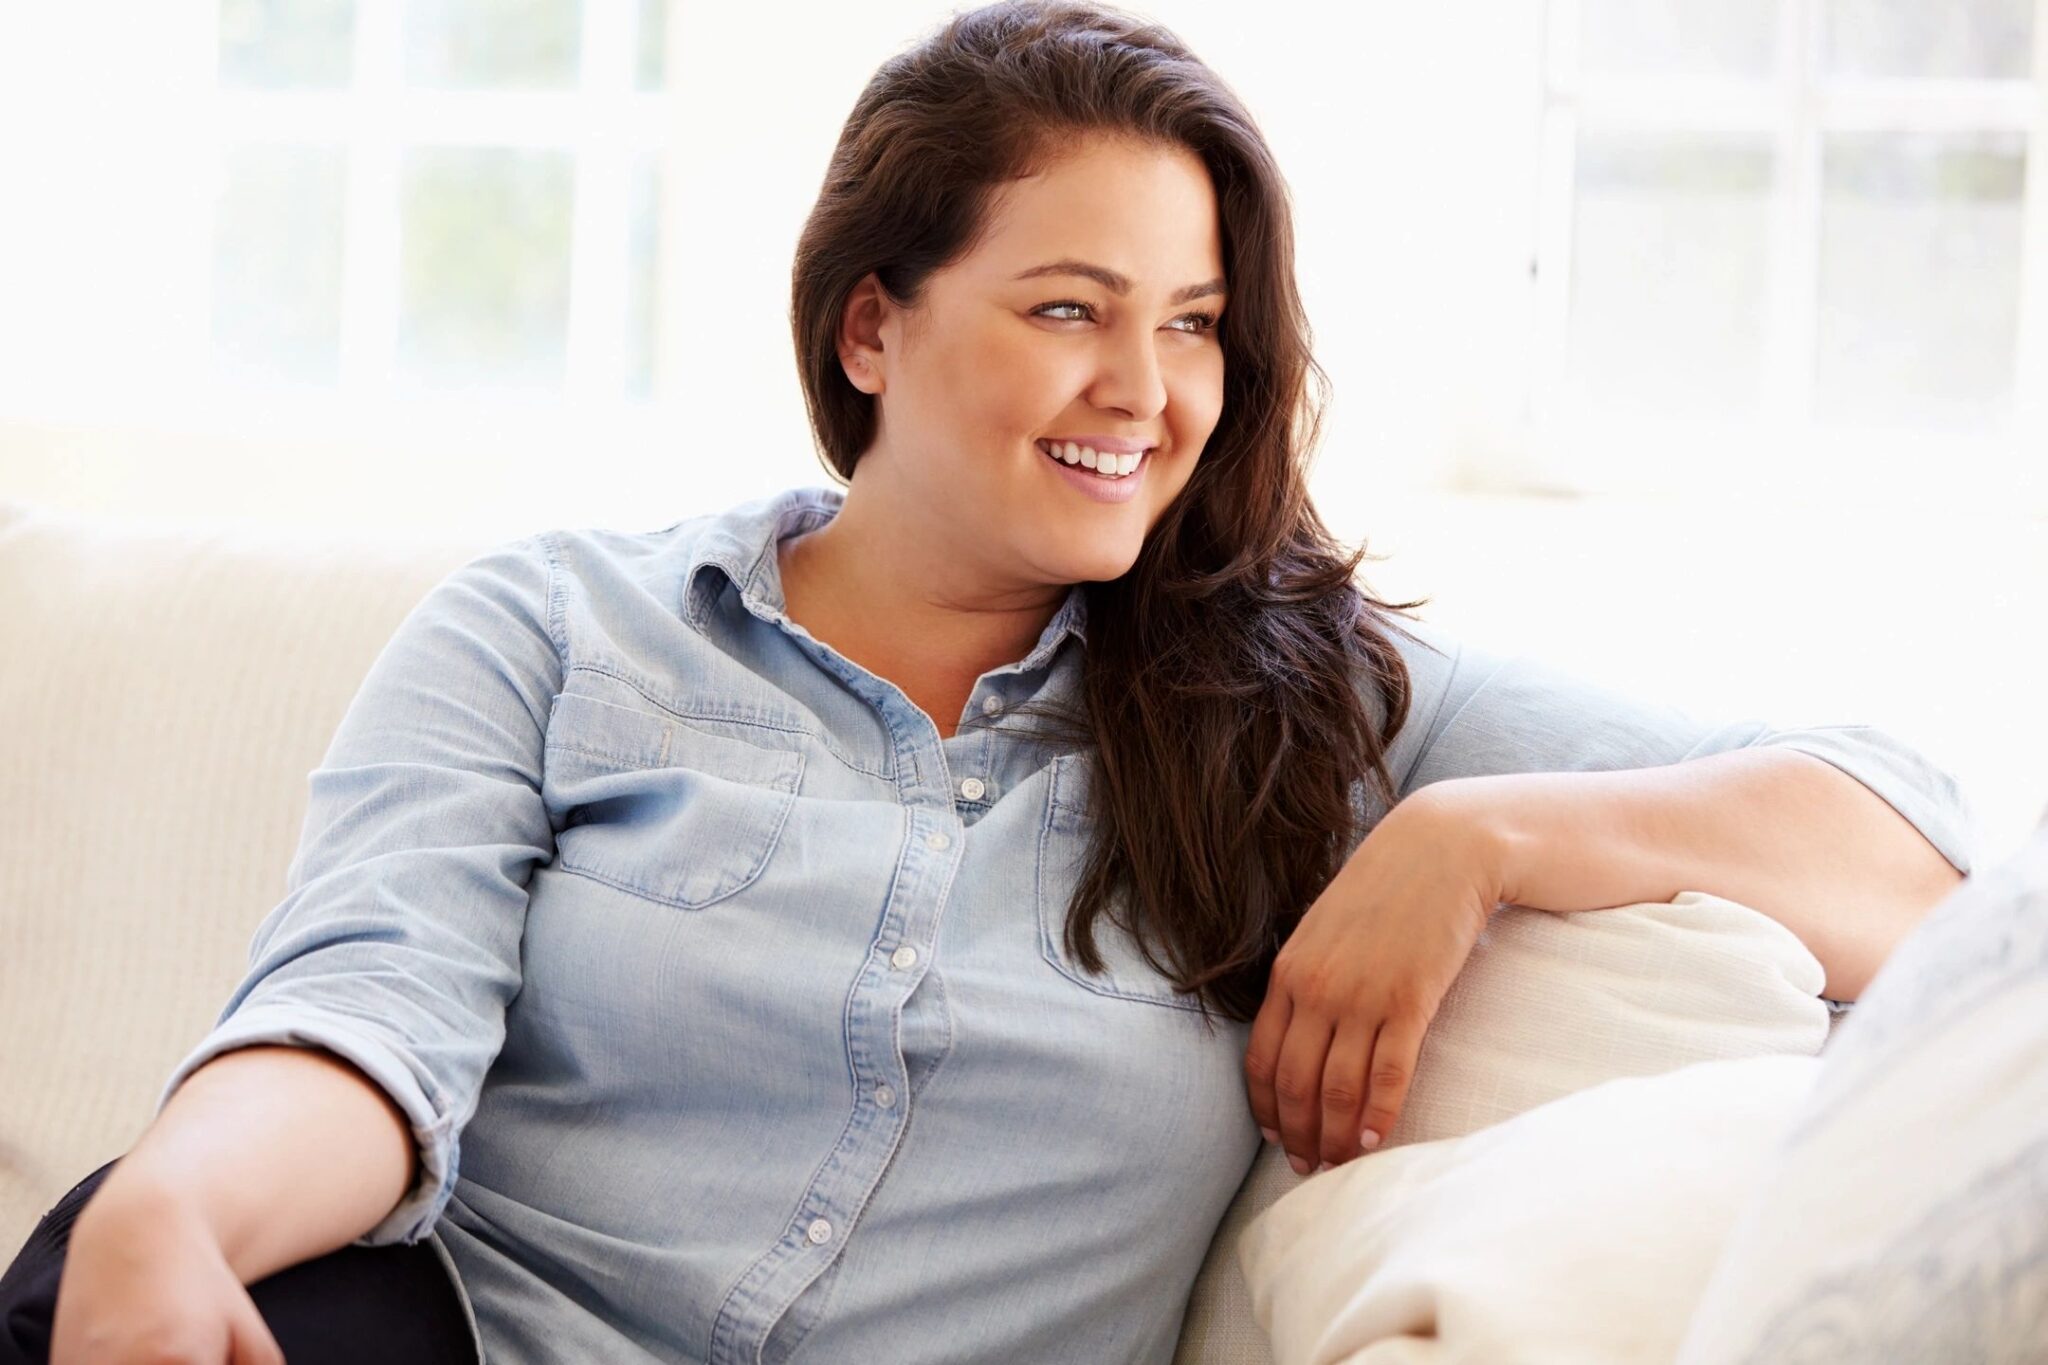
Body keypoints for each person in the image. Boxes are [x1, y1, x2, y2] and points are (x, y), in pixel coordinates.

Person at [1, 3, 1980, 1362]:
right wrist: (175, 1202)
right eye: (1068, 309)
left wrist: (1480, 830)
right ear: (873, 322)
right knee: (116, 1242)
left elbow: (1912, 865)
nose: (1148, 389)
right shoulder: (560, 624)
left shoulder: (1311, 702)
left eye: (1196, 324)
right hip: (471, 1322)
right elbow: (370, 1015)